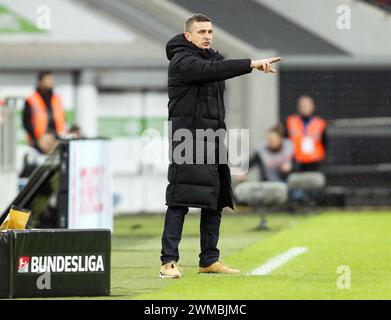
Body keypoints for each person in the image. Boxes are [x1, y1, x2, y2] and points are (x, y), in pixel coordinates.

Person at [160, 13, 281, 278]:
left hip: (213, 140)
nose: (207, 36)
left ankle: (209, 259)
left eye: (210, 32)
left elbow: (215, 71)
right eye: (201, 32)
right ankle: (168, 261)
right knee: (180, 199)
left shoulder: (212, 60)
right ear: (188, 36)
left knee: (214, 199)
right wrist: (251, 64)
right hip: (187, 140)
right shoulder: (183, 62)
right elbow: (211, 72)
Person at [22, 71, 66, 153]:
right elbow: (26, 122)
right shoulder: (32, 99)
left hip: (56, 139)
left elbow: (61, 119)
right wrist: (37, 139)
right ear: (40, 82)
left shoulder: (56, 99)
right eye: (47, 80)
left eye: (51, 80)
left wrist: (57, 136)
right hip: (38, 142)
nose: (50, 83)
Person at [285, 95, 327, 172]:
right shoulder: (290, 121)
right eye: (302, 105)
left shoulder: (320, 123)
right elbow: (285, 141)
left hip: (315, 161)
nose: (305, 107)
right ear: (298, 107)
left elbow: (325, 143)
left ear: (313, 107)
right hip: (296, 161)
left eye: (307, 105)